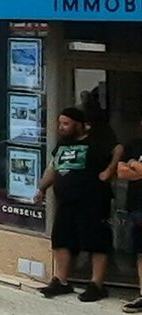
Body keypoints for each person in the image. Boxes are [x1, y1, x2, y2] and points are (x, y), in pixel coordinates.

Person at [38, 107, 112, 301]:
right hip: (66, 202)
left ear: (79, 124)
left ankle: (96, 284)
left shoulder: (95, 141)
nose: (61, 127)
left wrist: (108, 172)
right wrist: (42, 188)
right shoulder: (63, 144)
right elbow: (53, 167)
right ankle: (61, 280)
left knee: (95, 242)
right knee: (61, 239)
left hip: (92, 200)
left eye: (66, 123)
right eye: (60, 123)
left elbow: (118, 149)